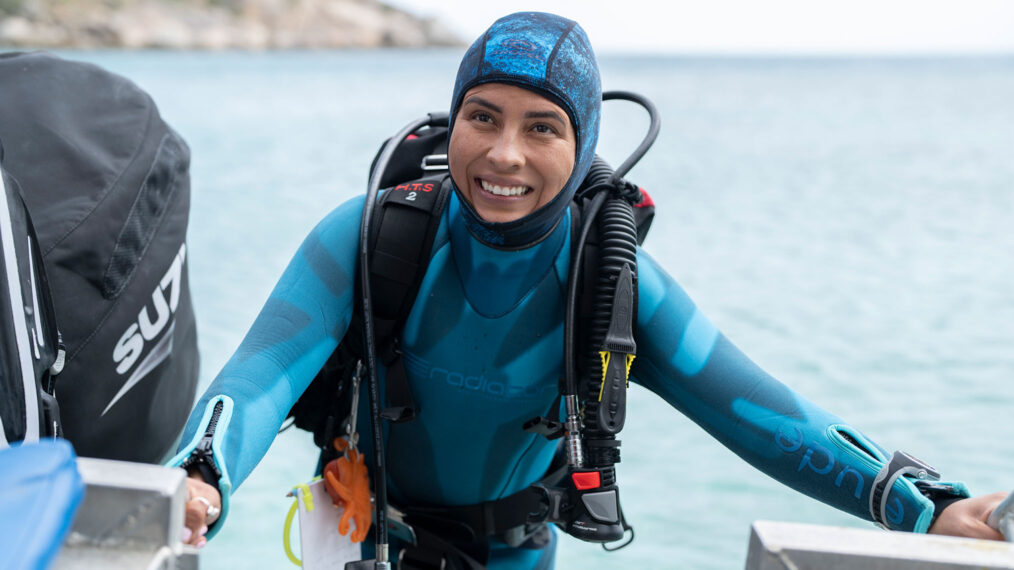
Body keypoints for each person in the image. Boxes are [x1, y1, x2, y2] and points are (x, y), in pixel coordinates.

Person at [171, 11, 1007, 566]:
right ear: (452, 120)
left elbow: (763, 414)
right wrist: (198, 475)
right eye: (483, 116)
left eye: (543, 128)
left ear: (584, 148)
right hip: (362, 540)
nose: (504, 155)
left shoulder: (611, 286)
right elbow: (258, 378)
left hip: (516, 552)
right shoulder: (369, 237)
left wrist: (920, 508)